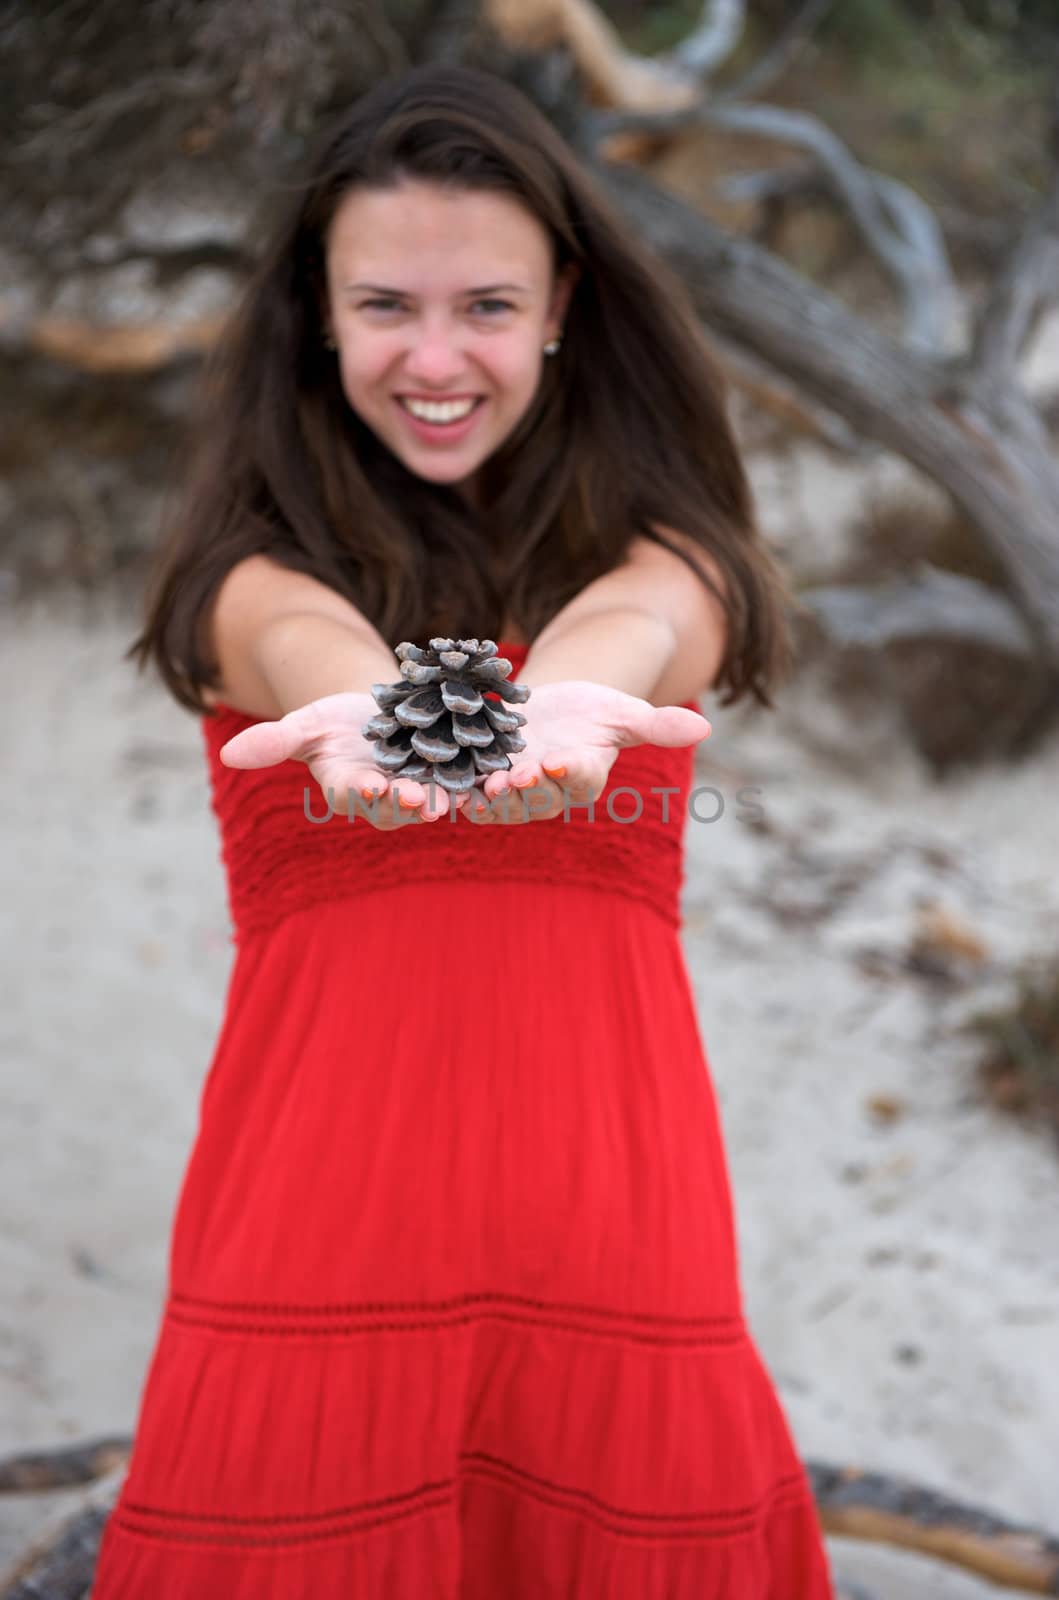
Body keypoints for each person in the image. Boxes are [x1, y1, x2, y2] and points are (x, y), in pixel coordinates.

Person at [90, 62, 836, 1599]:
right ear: (315, 311)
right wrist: (367, 709)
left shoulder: (672, 558)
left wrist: (566, 690)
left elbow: (635, 624)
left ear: (564, 300)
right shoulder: (246, 577)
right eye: (385, 307)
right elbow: (305, 644)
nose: (437, 358)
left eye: (486, 305)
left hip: (614, 1245)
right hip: (315, 1241)